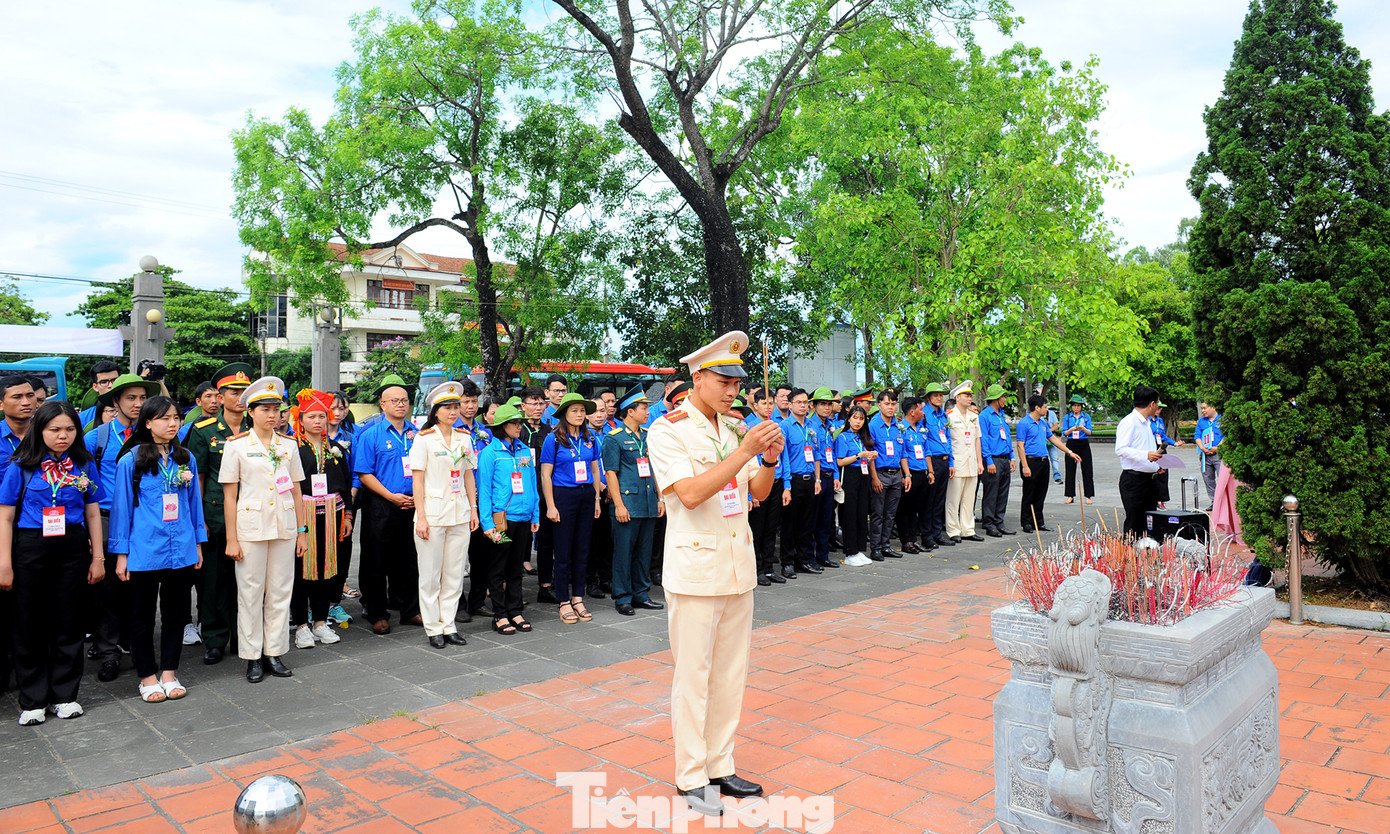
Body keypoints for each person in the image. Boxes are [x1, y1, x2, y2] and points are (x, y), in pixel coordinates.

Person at [648, 330, 784, 816]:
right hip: (695, 569)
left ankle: (720, 765)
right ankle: (690, 776)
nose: (733, 391)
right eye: (724, 381)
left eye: (737, 382)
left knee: (730, 674)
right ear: (698, 376)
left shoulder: (732, 431)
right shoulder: (668, 429)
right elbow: (689, 493)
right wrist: (746, 451)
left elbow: (759, 493)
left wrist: (767, 457)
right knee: (694, 676)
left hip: (736, 566)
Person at [0, 400, 104, 724]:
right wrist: (5, 562)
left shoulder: (83, 464)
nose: (63, 436)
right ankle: (33, 699)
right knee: (30, 622)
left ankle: (65, 695)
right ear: (39, 430)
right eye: (54, 429)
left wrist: (97, 557)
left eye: (70, 429)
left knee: (69, 621)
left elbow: (92, 512)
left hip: (72, 545)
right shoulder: (22, 465)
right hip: (31, 547)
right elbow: (5, 516)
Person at [109, 396, 205, 704]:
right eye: (165, 418)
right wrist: (121, 555)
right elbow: (122, 510)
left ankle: (169, 673)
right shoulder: (131, 461)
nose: (173, 423)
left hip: (182, 548)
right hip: (144, 550)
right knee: (141, 616)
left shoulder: (185, 458)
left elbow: (194, 506)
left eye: (176, 417)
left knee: (177, 614)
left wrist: (198, 544)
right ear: (148, 423)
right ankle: (147, 677)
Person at [219, 376, 310, 683]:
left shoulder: (289, 445)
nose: (272, 415)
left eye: (276, 409)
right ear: (251, 412)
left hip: (284, 526)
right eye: (264, 409)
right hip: (251, 529)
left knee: (281, 592)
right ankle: (252, 656)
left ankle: (274, 651)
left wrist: (302, 530)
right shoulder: (236, 447)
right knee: (250, 593)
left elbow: (296, 490)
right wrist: (232, 538)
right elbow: (229, 495)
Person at [84, 372, 159, 683]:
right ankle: (108, 651)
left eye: (143, 398)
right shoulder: (95, 438)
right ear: (115, 403)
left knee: (139, 585)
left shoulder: (154, 436)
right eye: (131, 398)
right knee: (109, 589)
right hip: (106, 518)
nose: (138, 404)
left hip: (143, 521)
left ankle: (135, 643)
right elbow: (84, 486)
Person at [184, 363, 253, 664]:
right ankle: (215, 639)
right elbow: (198, 478)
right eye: (233, 392)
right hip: (215, 515)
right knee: (214, 583)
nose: (240, 398)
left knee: (247, 582)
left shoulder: (257, 429)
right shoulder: (204, 431)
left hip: (251, 515)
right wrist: (199, 522)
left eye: (244, 392)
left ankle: (243, 638)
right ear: (220, 397)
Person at [410, 382, 478, 649]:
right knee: (430, 574)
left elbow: (469, 475)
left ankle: (449, 624)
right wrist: (422, 516)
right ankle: (433, 627)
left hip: (459, 512)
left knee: (454, 573)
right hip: (433, 513)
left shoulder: (465, 438)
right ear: (435, 411)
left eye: (455, 407)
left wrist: (473, 509)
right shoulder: (424, 438)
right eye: (447, 407)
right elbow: (418, 481)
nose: (453, 412)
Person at [353, 373, 421, 634]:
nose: (401, 404)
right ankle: (377, 612)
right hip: (381, 505)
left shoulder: (417, 434)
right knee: (376, 560)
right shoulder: (371, 434)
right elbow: (364, 473)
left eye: (404, 400)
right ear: (383, 404)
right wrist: (391, 496)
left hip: (412, 503)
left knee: (409, 559)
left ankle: (410, 610)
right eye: (395, 400)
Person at [289, 389, 354, 650]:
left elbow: (346, 485)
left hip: (331, 515)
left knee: (327, 570)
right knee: (300, 572)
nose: (318, 421)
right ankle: (301, 625)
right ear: (301, 419)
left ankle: (320, 622)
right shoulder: (291, 448)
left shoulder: (336, 449)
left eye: (322, 416)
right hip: (302, 515)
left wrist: (347, 515)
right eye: (312, 416)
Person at [540, 393, 604, 624]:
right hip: (563, 496)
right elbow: (546, 474)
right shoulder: (553, 439)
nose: (579, 414)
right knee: (564, 550)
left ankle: (578, 597)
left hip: (586, 495)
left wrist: (596, 498)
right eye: (574, 410)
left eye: (581, 410)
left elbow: (595, 470)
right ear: (564, 414)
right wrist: (551, 506)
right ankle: (563, 600)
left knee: (582, 549)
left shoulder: (591, 439)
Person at [476, 404, 539, 634]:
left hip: (523, 518)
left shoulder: (523, 450)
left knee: (515, 569)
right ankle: (500, 614)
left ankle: (515, 610)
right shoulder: (489, 453)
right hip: (502, 520)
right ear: (502, 427)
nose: (519, 427)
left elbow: (532, 482)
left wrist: (535, 513)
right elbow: (483, 491)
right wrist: (487, 523)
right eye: (515, 423)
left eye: (520, 423)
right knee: (497, 568)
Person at [603, 385, 665, 614]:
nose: (648, 411)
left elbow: (656, 468)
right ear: (630, 411)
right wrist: (618, 504)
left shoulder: (648, 436)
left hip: (648, 502)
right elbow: (611, 473)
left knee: (644, 552)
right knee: (623, 553)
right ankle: (622, 597)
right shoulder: (614, 439)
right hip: (627, 504)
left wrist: (660, 498)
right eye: (643, 407)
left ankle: (641, 593)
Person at [451, 380, 493, 623]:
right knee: (456, 556)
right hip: (457, 498)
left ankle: (477, 601)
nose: (470, 406)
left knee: (482, 555)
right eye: (464, 401)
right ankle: (456, 603)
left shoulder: (484, 431)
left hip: (481, 500)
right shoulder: (448, 430)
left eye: (474, 401)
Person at [1016, 395, 1082, 533]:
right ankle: (1027, 522)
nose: (1047, 410)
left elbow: (1053, 439)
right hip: (1031, 461)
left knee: (1041, 493)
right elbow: (1020, 446)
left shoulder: (1042, 423)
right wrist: (1025, 466)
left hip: (1044, 461)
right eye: (1045, 407)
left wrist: (1069, 452)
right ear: (1037, 407)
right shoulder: (1024, 424)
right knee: (1029, 493)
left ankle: (1038, 522)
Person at [746, 389, 789, 584]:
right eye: (764, 403)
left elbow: (784, 456)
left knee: (772, 527)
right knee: (757, 528)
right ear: (755, 405)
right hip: (758, 483)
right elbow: (747, 461)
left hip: (777, 481)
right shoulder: (749, 428)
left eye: (771, 403)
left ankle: (769, 567)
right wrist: (749, 493)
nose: (768, 407)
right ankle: (756, 569)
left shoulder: (777, 427)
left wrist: (787, 485)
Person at [777, 388, 822, 575]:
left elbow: (817, 453)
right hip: (793, 480)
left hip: (809, 479)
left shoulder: (812, 426)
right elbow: (784, 457)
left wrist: (817, 479)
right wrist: (786, 485)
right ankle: (787, 562)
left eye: (805, 402)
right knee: (789, 523)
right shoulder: (785, 426)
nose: (803, 406)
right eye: (799, 402)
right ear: (790, 404)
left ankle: (803, 560)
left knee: (806, 523)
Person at [1114, 386, 1165, 537]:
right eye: (1157, 403)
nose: (1157, 407)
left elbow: (1146, 449)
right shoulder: (1129, 422)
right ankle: (1131, 555)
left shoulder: (1147, 423)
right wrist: (1146, 455)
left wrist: (1156, 465)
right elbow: (1120, 449)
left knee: (1148, 522)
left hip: (1150, 479)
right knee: (1134, 523)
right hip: (1134, 481)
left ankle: (1146, 555)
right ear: (1152, 404)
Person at [867, 389, 911, 561]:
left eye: (893, 403)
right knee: (878, 513)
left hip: (896, 474)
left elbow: (903, 453)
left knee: (890, 513)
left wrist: (906, 475)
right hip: (880, 473)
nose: (890, 407)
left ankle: (885, 545)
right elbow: (869, 453)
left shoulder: (899, 426)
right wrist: (874, 478)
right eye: (886, 403)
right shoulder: (873, 425)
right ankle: (876, 547)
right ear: (879, 405)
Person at [835, 405, 875, 565]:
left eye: (861, 419)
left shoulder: (862, 438)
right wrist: (859, 455)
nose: (858, 422)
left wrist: (870, 456)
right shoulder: (843, 437)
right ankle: (850, 551)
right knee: (849, 514)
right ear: (849, 419)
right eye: (855, 418)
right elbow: (840, 461)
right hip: (850, 477)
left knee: (861, 513)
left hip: (863, 476)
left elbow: (865, 457)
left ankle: (860, 549)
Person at [945, 381, 985, 542]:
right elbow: (948, 442)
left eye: (970, 395)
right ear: (957, 397)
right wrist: (950, 463)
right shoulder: (949, 416)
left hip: (972, 462)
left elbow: (977, 440)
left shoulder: (974, 417)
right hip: (957, 462)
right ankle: (953, 530)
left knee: (970, 498)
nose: (970, 398)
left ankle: (968, 529)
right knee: (953, 499)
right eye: (966, 395)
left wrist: (980, 462)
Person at [978, 384, 1017, 537]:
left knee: (1003, 492)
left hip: (1004, 458)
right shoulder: (984, 416)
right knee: (991, 492)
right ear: (995, 399)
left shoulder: (1002, 415)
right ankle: (989, 523)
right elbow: (984, 440)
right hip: (992, 459)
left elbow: (1006, 437)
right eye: (1003, 397)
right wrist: (988, 460)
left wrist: (1012, 457)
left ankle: (999, 521)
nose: (1005, 399)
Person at [586, 398, 615, 599]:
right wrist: (603, 488)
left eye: (603, 410)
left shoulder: (612, 434)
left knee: (608, 539)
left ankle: (606, 578)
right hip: (594, 494)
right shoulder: (583, 436)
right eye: (595, 411)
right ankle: (591, 581)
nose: (599, 415)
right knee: (592, 540)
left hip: (614, 493)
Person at [808, 387, 840, 569]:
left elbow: (832, 453)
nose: (827, 408)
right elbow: (815, 454)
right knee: (813, 518)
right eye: (823, 404)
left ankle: (823, 555)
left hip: (829, 476)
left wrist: (835, 474)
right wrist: (818, 479)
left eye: (829, 404)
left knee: (826, 519)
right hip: (815, 477)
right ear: (814, 406)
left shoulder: (829, 425)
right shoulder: (811, 426)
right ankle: (810, 558)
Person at [894, 397, 929, 554]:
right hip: (910, 474)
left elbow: (926, 450)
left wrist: (931, 470)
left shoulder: (920, 429)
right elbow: (902, 454)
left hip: (922, 472)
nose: (923, 412)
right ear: (913, 411)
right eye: (921, 409)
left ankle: (914, 539)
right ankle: (906, 540)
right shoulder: (901, 429)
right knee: (905, 508)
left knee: (916, 508)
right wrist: (904, 475)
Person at [920, 383, 951, 548]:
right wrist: (929, 467)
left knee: (940, 499)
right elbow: (924, 442)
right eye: (935, 395)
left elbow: (948, 439)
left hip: (945, 460)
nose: (939, 398)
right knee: (929, 500)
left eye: (941, 395)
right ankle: (927, 535)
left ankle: (937, 533)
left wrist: (951, 462)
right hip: (932, 461)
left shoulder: (944, 415)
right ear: (928, 397)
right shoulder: (924, 414)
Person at [1062, 395, 1095, 505]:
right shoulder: (1068, 417)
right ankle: (1070, 495)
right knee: (1070, 470)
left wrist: (1083, 428)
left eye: (1078, 406)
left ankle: (1088, 495)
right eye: (1074, 406)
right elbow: (1064, 433)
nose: (1076, 408)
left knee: (1087, 470)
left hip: (1083, 443)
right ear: (1071, 407)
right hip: (1071, 443)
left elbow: (1090, 432)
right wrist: (1071, 429)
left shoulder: (1086, 417)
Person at [1150, 403, 1183, 508]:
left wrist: (1175, 443)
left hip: (1162, 446)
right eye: (1157, 408)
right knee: (1152, 473)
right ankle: (1152, 499)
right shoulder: (1146, 421)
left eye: (1160, 408)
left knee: (1163, 474)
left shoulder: (1160, 421)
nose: (1159, 410)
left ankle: (1161, 500)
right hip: (1151, 447)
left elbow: (1163, 436)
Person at [1195, 401, 1224, 510]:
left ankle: (1223, 502)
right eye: (1201, 408)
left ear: (1213, 407)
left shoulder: (1222, 420)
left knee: (1222, 478)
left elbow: (1225, 436)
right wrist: (1202, 447)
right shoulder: (1201, 422)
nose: (1203, 411)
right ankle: (1214, 501)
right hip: (1205, 455)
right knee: (1208, 479)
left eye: (1205, 408)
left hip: (1219, 454)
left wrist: (1217, 448)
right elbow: (1197, 436)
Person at [77, 361, 121, 430]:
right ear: (95, 387)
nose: (111, 385)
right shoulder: (83, 418)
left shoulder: (134, 411)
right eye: (104, 382)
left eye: (114, 380)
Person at [1045, 402, 1064, 484]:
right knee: (1043, 459)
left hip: (1052, 438)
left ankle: (1057, 476)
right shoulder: (1037, 415)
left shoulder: (1051, 414)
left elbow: (1056, 426)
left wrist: (1048, 432)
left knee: (1055, 458)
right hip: (1042, 439)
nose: (1046, 409)